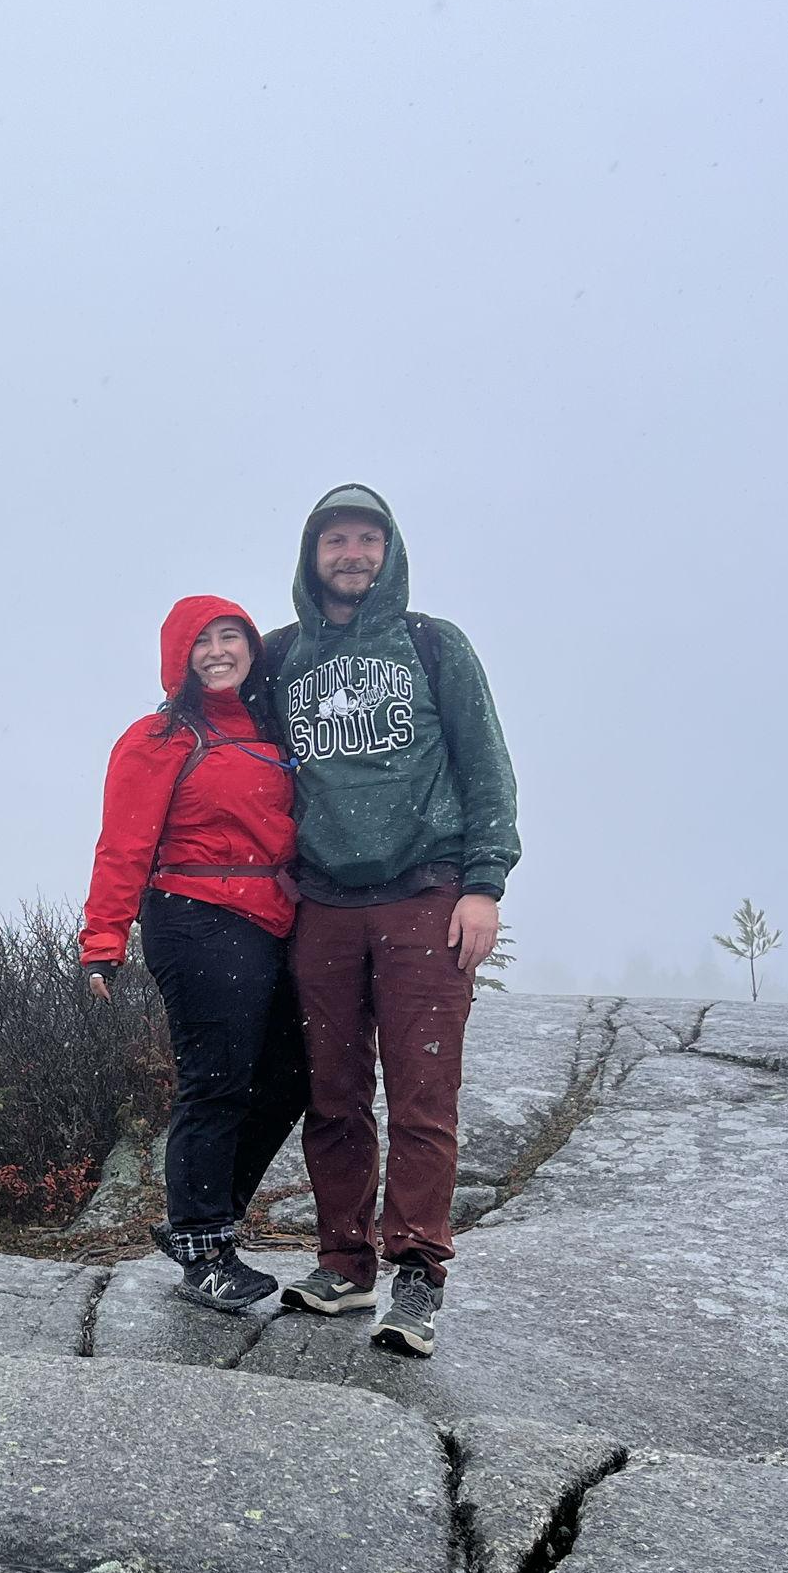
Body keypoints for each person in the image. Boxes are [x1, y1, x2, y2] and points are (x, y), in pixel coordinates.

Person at [259, 484, 520, 1357]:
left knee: (421, 1094)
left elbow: (485, 762)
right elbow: (242, 759)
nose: (353, 553)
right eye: (336, 539)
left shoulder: (432, 644)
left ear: (390, 550)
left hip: (425, 894)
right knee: (332, 1096)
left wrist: (483, 884)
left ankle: (417, 1276)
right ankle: (344, 1261)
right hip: (323, 906)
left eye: (368, 539)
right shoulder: (281, 656)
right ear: (313, 555)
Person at [80, 596, 307, 1314]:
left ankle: (198, 1219)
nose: (218, 650)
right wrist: (103, 939)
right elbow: (124, 843)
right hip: (193, 919)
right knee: (216, 1082)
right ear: (177, 657)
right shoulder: (160, 737)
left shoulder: (274, 730)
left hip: (272, 922)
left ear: (251, 648)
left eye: (231, 636)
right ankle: (203, 1250)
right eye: (200, 640)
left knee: (291, 1077)